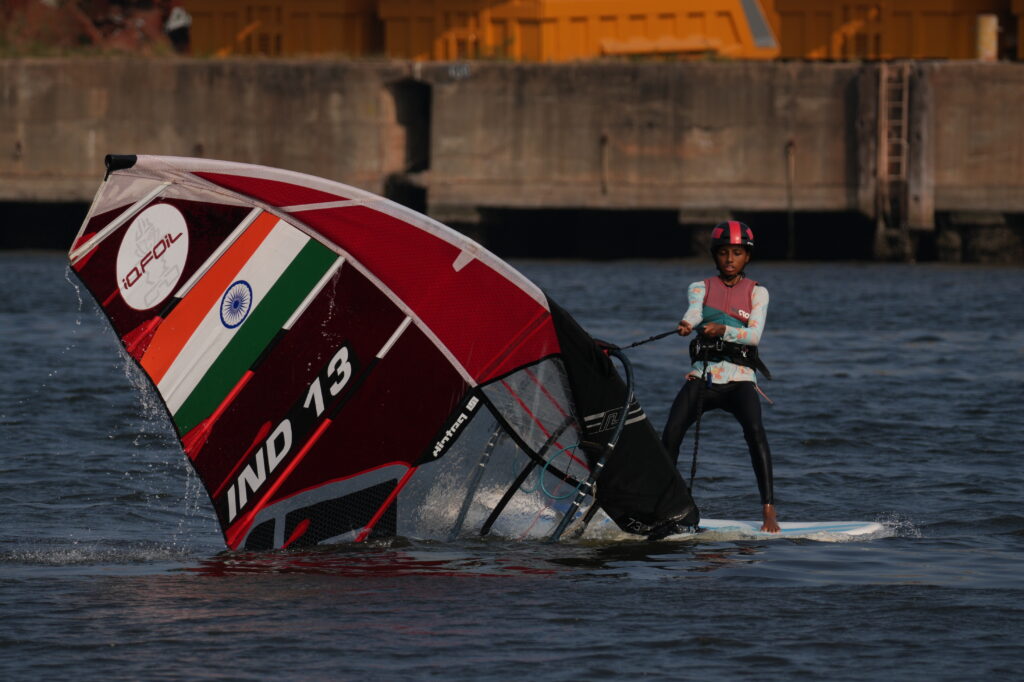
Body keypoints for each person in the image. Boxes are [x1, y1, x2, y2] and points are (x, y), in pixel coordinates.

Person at [661, 221, 779, 533]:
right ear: (715, 256)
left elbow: (753, 336)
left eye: (737, 253)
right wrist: (687, 323)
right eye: (724, 253)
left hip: (740, 380)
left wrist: (724, 329)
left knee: (756, 433)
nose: (729, 259)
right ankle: (662, 504)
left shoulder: (758, 292)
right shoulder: (700, 287)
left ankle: (769, 511)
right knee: (671, 433)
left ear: (747, 257)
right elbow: (695, 312)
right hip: (703, 378)